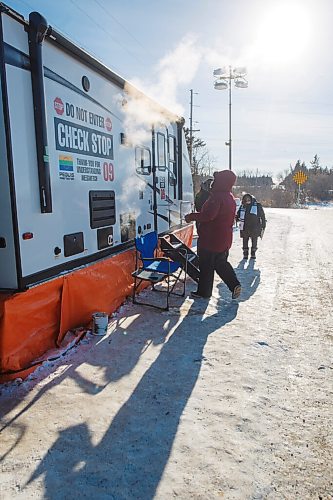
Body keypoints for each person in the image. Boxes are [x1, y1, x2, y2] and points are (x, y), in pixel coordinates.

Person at [185, 170, 241, 299]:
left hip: (211, 239)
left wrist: (191, 216)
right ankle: (234, 284)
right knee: (221, 263)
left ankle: (204, 292)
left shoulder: (217, 197)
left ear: (221, 182)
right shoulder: (229, 197)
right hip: (224, 238)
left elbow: (208, 215)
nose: (213, 183)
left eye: (216, 180)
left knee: (206, 266)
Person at [236, 193, 266, 259]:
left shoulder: (257, 205)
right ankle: (245, 254)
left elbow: (262, 216)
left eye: (248, 199)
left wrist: (263, 225)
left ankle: (253, 253)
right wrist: (236, 218)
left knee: (254, 241)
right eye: (246, 199)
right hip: (245, 227)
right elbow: (238, 215)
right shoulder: (242, 206)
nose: (247, 200)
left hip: (255, 227)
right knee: (245, 241)